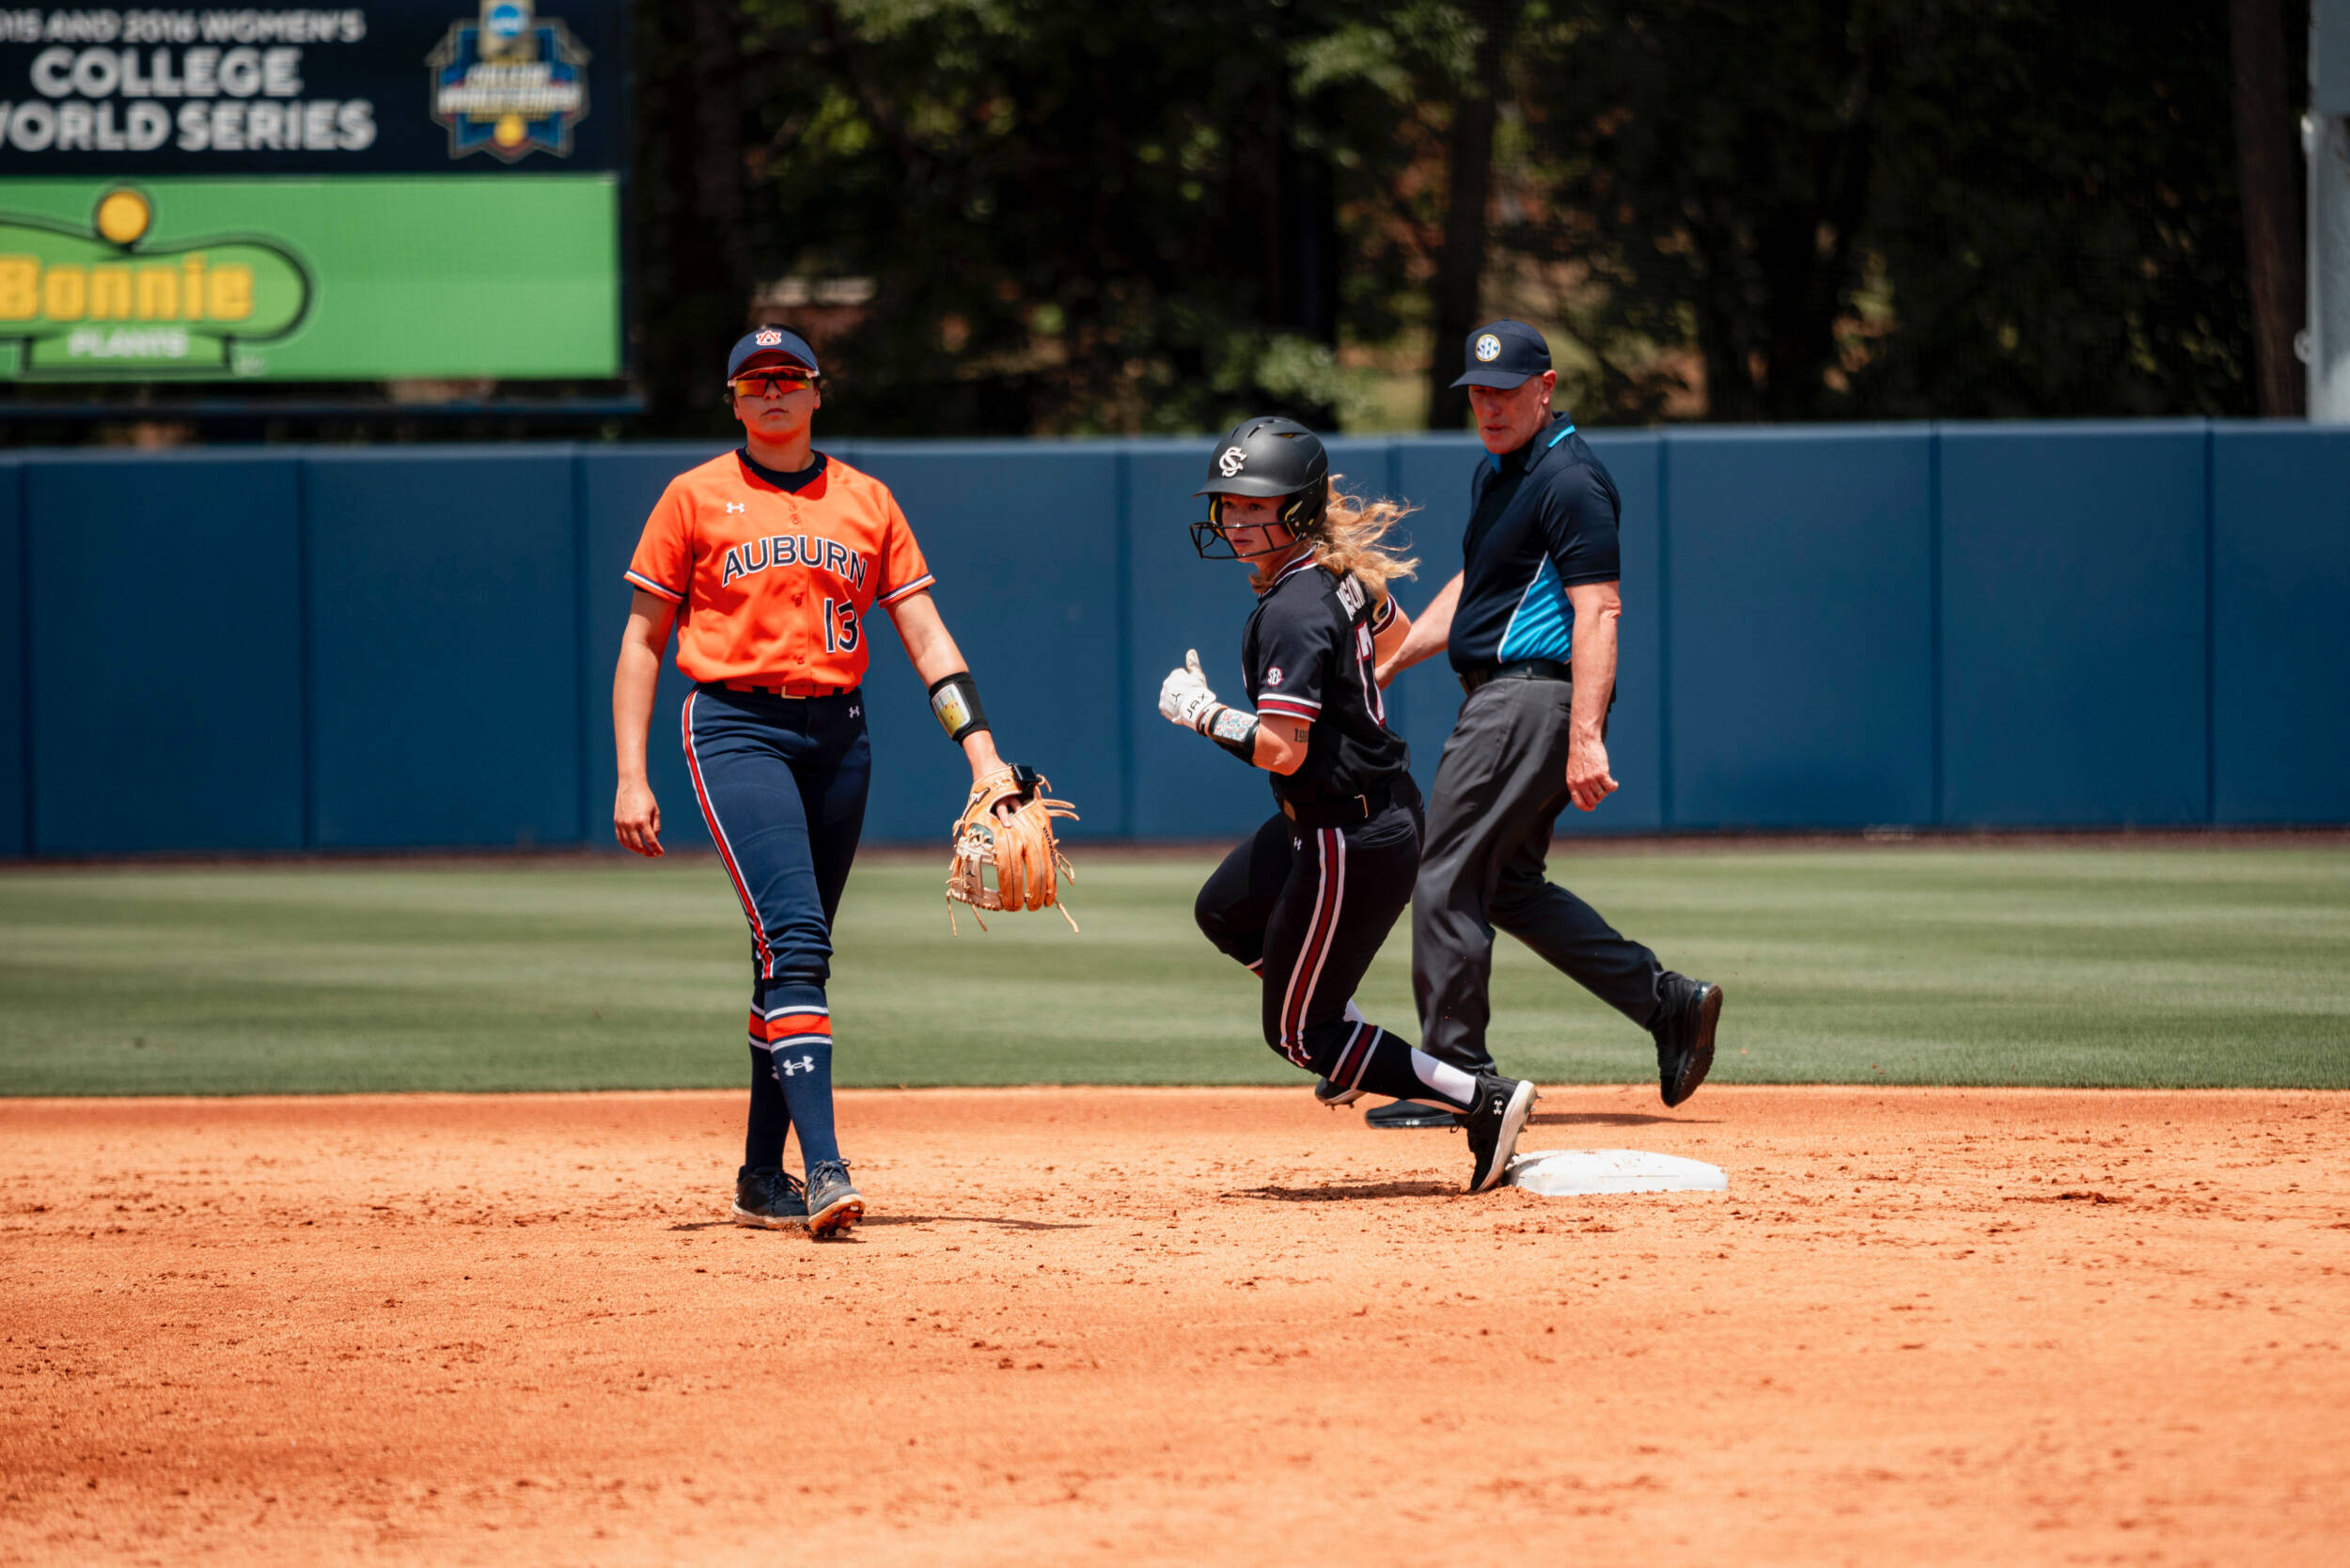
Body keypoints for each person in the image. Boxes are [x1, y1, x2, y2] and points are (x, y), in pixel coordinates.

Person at [612, 325, 1039, 1237]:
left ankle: (760, 1176)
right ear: (733, 400)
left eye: (788, 378)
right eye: (753, 381)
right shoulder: (693, 497)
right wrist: (629, 773)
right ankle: (826, 1170)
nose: (771, 392)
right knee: (798, 938)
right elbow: (644, 637)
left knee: (788, 954)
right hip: (735, 726)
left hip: (838, 736)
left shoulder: (866, 500)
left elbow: (924, 636)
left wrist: (983, 755)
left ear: (816, 393)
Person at [1158, 416, 1540, 1192]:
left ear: (1297, 507)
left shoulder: (1294, 607)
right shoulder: (1335, 576)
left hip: (1346, 836)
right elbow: (1392, 635)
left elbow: (1281, 749)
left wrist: (1200, 711)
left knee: (1300, 1034)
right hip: (1355, 814)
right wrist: (1351, 703)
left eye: (1254, 504)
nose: (1234, 519)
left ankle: (1482, 1099)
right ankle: (1352, 1037)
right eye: (1227, 503)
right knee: (1227, 910)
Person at [1379, 321, 1723, 1113]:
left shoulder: (1571, 479)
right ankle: (1665, 1002)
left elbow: (1598, 609)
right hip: (1512, 699)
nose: (1489, 406)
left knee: (1446, 872)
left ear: (1547, 387)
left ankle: (1456, 1076)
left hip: (1527, 699)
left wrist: (1586, 736)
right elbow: (1479, 584)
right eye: (1477, 393)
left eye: (1504, 391)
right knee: (1507, 886)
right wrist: (1394, 659)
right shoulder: (1501, 472)